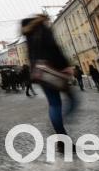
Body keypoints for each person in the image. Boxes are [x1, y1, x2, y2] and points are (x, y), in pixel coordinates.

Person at [21, 14, 78, 152]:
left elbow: (30, 55)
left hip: (40, 72)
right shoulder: (43, 29)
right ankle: (60, 123)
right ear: (42, 19)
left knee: (54, 103)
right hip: (53, 70)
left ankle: (61, 138)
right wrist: (66, 66)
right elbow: (54, 48)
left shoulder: (28, 33)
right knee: (73, 100)